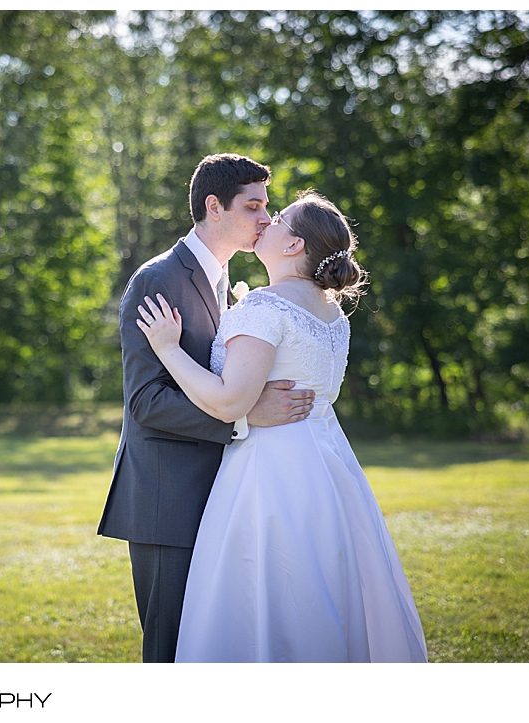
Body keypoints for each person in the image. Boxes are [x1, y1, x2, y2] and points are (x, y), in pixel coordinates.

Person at [136, 190, 428, 662]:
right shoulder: (333, 313)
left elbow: (231, 400)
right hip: (328, 468)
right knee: (326, 588)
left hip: (269, 472)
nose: (266, 221)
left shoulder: (266, 308)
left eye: (277, 219)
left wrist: (169, 350)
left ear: (294, 246)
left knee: (266, 591)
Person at [97, 154, 316, 663]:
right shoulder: (160, 279)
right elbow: (145, 402)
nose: (266, 218)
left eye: (267, 206)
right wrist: (244, 415)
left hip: (222, 494)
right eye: (254, 206)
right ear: (213, 207)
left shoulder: (223, 280)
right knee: (171, 652)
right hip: (167, 500)